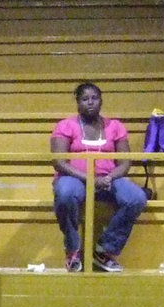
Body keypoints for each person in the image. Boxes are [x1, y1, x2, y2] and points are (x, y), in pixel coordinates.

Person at [50, 82, 147, 272]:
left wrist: (110, 177)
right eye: (85, 99)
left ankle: (105, 252)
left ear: (101, 101)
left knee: (136, 198)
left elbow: (125, 162)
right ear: (77, 103)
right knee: (65, 193)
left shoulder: (115, 126)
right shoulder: (65, 125)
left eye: (94, 98)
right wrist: (90, 179)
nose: (90, 102)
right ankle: (73, 250)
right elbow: (59, 162)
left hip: (108, 179)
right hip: (75, 178)